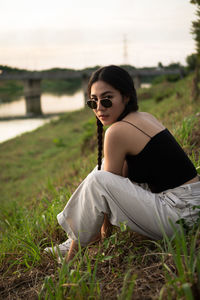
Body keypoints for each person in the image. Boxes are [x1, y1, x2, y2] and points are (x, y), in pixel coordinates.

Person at [45, 65, 200, 262]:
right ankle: (79, 236)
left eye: (107, 99)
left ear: (126, 96)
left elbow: (105, 187)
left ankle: (74, 249)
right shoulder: (143, 117)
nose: (100, 107)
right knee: (101, 168)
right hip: (191, 206)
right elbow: (116, 178)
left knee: (98, 179)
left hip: (181, 215)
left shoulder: (117, 132)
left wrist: (101, 236)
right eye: (93, 102)